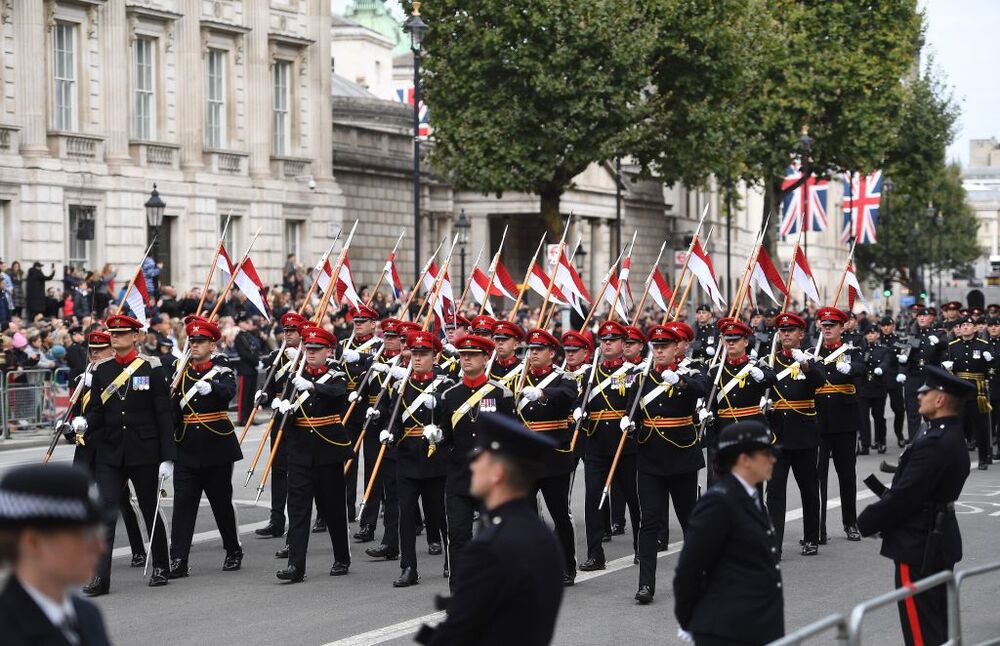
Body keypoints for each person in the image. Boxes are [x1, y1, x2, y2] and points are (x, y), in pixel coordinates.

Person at [414, 414, 564, 646]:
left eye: (478, 457)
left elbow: (456, 635)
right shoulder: (542, 533)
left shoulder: (489, 547)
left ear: (498, 473)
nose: (472, 464)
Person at [858, 366, 972, 646]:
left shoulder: (936, 442)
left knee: (921, 633)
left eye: (925, 392)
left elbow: (907, 494)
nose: (919, 396)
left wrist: (868, 520)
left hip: (920, 542)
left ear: (941, 399)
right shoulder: (946, 433)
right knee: (938, 627)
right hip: (935, 536)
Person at [78, 313, 175, 595]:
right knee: (106, 513)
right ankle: (100, 577)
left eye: (121, 333)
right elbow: (96, 409)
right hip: (110, 452)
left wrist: (167, 456)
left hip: (144, 451)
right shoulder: (102, 371)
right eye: (113, 333)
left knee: (149, 511)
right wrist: (81, 425)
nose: (115, 337)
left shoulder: (152, 367)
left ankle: (160, 566)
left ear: (136, 336)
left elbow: (163, 414)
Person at [673, 420, 784, 645]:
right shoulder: (719, 503)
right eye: (766, 453)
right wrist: (690, 622)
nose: (773, 459)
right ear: (744, 460)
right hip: (726, 631)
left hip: (754, 626)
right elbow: (689, 570)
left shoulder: (750, 498)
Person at [633, 325, 707, 604]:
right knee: (649, 521)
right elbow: (633, 408)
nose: (660, 350)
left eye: (665, 346)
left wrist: (680, 382)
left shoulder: (691, 373)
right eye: (656, 346)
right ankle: (645, 585)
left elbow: (703, 387)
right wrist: (628, 424)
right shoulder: (641, 377)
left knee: (689, 519)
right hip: (650, 457)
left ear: (677, 347)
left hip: (681, 457)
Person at [0, 464, 112, 646]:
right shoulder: (7, 633)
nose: (100, 547)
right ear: (33, 542)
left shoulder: (86, 614)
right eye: (85, 535)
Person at [62, 330, 147, 568]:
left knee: (120, 501)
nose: (94, 355)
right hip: (86, 447)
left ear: (111, 350)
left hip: (109, 446)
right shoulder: (84, 378)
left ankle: (138, 549)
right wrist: (70, 427)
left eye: (99, 350)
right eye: (92, 351)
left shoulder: (115, 374)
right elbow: (80, 413)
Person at [276, 324, 352, 582]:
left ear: (329, 351)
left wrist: (311, 386)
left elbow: (339, 394)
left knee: (332, 508)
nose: (310, 353)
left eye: (316, 349)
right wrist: (281, 406)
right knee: (297, 509)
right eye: (308, 348)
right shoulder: (295, 375)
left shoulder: (335, 374)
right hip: (299, 451)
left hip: (327, 450)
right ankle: (296, 566)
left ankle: (342, 556)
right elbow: (284, 412)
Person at [437, 334, 515, 589]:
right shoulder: (449, 395)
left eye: (472, 355)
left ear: (485, 358)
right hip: (459, 476)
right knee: (458, 535)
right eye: (462, 355)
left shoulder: (501, 394)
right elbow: (446, 437)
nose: (466, 359)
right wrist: (436, 437)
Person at [168, 318, 243, 578]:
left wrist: (212, 387)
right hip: (186, 446)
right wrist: (166, 452)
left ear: (212, 344)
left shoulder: (221, 368)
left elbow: (229, 392)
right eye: (192, 341)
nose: (195, 345)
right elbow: (171, 412)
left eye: (200, 341)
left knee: (220, 504)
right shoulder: (180, 370)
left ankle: (233, 549)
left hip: (216, 446)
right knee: (183, 506)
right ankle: (178, 558)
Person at [380, 329, 452, 587]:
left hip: (435, 457)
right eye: (414, 353)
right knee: (406, 514)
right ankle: (408, 566)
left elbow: (452, 422)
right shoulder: (401, 386)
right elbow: (395, 417)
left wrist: (440, 426)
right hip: (408, 456)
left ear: (435, 356)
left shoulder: (445, 385)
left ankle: (450, 561)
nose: (418, 358)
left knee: (441, 514)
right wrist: (389, 433)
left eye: (423, 354)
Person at [512, 328, 579, 586]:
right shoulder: (518, 378)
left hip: (552, 458)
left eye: (539, 349)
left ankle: (567, 565)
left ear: (552, 353)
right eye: (530, 349)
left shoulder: (564, 378)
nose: (533, 354)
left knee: (560, 515)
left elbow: (568, 395)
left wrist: (541, 393)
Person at [577, 320, 641, 571]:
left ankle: (641, 546)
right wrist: (579, 410)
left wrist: (630, 418)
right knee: (593, 498)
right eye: (603, 340)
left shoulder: (632, 372)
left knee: (633, 498)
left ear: (623, 344)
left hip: (624, 443)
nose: (607, 345)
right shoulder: (591, 372)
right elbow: (582, 399)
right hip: (596, 443)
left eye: (612, 340)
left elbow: (636, 404)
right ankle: (595, 553)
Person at [765, 312, 824, 557]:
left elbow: (820, 380)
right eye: (782, 330)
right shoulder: (770, 361)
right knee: (775, 493)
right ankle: (774, 544)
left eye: (791, 331)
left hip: (803, 434)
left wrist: (807, 365)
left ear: (801, 334)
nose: (786, 334)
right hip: (777, 435)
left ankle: (811, 537)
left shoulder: (811, 359)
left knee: (808, 489)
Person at [254, 311, 308, 542]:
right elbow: (270, 383)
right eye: (285, 331)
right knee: (278, 468)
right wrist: (263, 396)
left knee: (303, 471)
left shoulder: (309, 353)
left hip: (301, 415)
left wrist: (300, 359)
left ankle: (316, 517)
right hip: (279, 414)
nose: (287, 335)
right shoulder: (276, 356)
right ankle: (276, 520)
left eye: (292, 331)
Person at [814, 307, 863, 543]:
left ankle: (850, 522)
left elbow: (863, 368)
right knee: (818, 476)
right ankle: (819, 527)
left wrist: (850, 368)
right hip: (818, 420)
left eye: (831, 325)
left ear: (842, 327)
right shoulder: (812, 351)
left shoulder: (851, 351)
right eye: (824, 325)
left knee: (846, 475)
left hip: (843, 419)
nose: (827, 329)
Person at [942, 316, 994, 468]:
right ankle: (957, 458)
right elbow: (946, 367)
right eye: (962, 325)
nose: (965, 327)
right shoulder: (952, 346)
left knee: (981, 425)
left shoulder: (984, 345)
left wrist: (990, 361)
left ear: (975, 328)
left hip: (977, 390)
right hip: (959, 391)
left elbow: (992, 367)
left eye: (968, 325)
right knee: (957, 425)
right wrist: (947, 368)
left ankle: (983, 457)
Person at [898, 307, 947, 443]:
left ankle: (934, 440)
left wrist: (939, 343)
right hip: (913, 376)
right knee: (913, 414)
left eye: (924, 316)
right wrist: (902, 371)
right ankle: (914, 443)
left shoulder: (938, 334)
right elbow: (905, 357)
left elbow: (946, 347)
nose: (921, 318)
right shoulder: (912, 336)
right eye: (919, 316)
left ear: (931, 319)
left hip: (929, 376)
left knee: (931, 413)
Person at [858, 325, 891, 455]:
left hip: (878, 387)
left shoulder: (883, 350)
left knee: (878, 417)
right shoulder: (862, 350)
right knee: (863, 418)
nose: (870, 336)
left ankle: (880, 441)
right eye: (868, 333)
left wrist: (881, 368)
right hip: (864, 387)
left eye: (873, 333)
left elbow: (886, 362)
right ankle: (865, 444)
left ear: (878, 335)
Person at [880, 316, 908, 448]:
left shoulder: (898, 341)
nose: (885, 328)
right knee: (879, 412)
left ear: (893, 327)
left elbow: (903, 358)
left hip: (894, 378)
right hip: (878, 380)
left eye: (888, 325)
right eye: (883, 325)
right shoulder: (876, 340)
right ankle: (881, 439)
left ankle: (899, 434)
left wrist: (902, 372)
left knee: (899, 409)